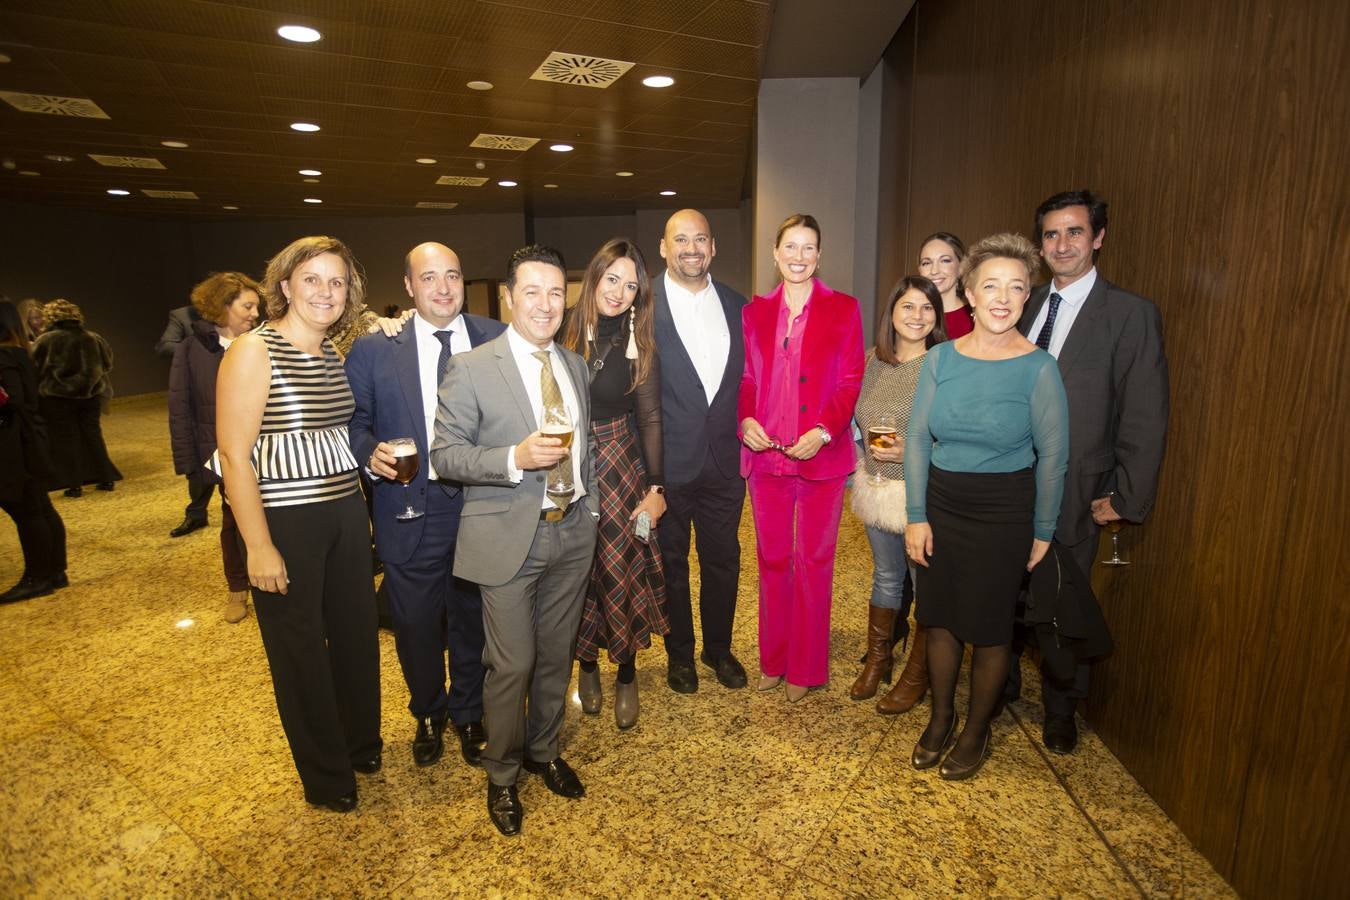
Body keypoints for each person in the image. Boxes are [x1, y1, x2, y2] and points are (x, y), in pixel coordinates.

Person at [430, 245, 598, 837]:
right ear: (508, 297)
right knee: (512, 663)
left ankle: (543, 750)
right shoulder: (473, 367)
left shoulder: (574, 364)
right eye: (533, 291)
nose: (546, 305)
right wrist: (513, 458)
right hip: (507, 540)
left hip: (573, 531)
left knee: (557, 656)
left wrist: (592, 509)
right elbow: (444, 455)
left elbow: (587, 451)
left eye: (556, 293)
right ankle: (501, 775)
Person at [212, 236, 382, 813]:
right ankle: (326, 773)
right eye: (312, 280)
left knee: (357, 635)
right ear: (284, 285)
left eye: (336, 282)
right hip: (285, 518)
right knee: (301, 650)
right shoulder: (253, 351)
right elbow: (235, 455)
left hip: (343, 512)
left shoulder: (332, 352)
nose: (325, 292)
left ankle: (359, 743)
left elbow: (337, 436)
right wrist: (257, 547)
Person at [904, 233, 1069, 781]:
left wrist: (1042, 530)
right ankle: (941, 716)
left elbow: (1052, 457)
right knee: (942, 617)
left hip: (1006, 511)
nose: (1003, 297)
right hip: (943, 504)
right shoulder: (941, 359)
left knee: (993, 626)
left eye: (1016, 288)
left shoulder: (1039, 368)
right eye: (991, 285)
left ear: (1027, 299)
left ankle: (976, 729)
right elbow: (917, 440)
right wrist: (915, 515)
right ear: (968, 293)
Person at [1014, 190, 1170, 754]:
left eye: (1074, 232)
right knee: (1009, 589)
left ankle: (1062, 709)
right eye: (1052, 234)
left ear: (1098, 237)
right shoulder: (1023, 304)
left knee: (1063, 601)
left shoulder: (1130, 315)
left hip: (1077, 489)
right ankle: (1004, 683)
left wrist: (1128, 495)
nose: (1062, 244)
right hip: (1009, 481)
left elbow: (1145, 412)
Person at [346, 242, 503, 769]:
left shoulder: (495, 337)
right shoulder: (373, 350)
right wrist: (371, 453)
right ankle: (427, 712)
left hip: (480, 505)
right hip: (408, 505)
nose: (443, 287)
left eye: (453, 276)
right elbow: (355, 422)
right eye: (429, 277)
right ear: (409, 287)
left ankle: (469, 712)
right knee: (414, 623)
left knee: (472, 619)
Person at [739, 214, 864, 702]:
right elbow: (747, 379)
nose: (798, 256)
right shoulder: (754, 313)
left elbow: (850, 379)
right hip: (767, 455)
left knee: (814, 560)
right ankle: (773, 659)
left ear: (819, 255)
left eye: (808, 248)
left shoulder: (843, 309)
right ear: (775, 253)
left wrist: (823, 431)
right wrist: (745, 420)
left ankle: (806, 667)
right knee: (772, 559)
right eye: (790, 246)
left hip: (820, 456)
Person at [558, 238, 668, 730]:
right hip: (567, 463)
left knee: (620, 568)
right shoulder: (558, 329)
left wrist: (656, 488)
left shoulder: (638, 345)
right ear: (594, 277)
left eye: (631, 285)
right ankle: (584, 666)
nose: (620, 292)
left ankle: (626, 671)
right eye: (612, 279)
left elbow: (650, 419)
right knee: (577, 572)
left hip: (621, 459)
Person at [652, 209, 749, 694]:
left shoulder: (737, 304)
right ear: (664, 247)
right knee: (671, 564)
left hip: (726, 461)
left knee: (722, 560)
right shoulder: (641, 304)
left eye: (700, 239)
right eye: (681, 239)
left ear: (713, 247)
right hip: (667, 464)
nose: (691, 248)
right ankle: (680, 655)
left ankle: (718, 649)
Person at [848, 276, 947, 705]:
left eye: (927, 308)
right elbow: (856, 420)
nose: (917, 316)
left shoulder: (945, 363)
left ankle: (917, 673)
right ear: (892, 312)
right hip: (876, 486)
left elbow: (955, 429)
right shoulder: (873, 361)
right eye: (908, 306)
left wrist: (916, 449)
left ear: (937, 317)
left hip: (921, 493)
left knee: (924, 585)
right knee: (887, 576)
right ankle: (878, 660)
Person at [167, 272, 260, 621]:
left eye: (257, 307)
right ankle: (237, 588)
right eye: (247, 306)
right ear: (222, 306)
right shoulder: (192, 349)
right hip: (221, 452)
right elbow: (181, 406)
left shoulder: (263, 343)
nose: (254, 313)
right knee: (233, 520)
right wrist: (192, 463)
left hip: (266, 449)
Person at [0, 299, 67, 603]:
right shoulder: (19, 352)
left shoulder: (5, 356)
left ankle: (38, 576)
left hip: (15, 443)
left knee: (28, 510)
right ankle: (53, 571)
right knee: (38, 506)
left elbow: (13, 399)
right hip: (28, 439)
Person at [31, 299, 122, 496]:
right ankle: (106, 479)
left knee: (67, 440)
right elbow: (107, 364)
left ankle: (74, 485)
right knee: (93, 436)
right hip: (91, 396)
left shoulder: (45, 340)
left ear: (51, 318)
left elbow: (34, 368)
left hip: (57, 398)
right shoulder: (93, 337)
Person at [918, 232, 973, 339]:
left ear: (961, 267)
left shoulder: (977, 317)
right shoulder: (911, 316)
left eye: (945, 261)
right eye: (926, 263)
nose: (934, 271)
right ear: (919, 269)